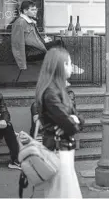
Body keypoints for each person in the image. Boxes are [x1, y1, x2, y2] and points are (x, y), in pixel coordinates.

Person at [35, 47, 84, 198]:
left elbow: (77, 119)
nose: (71, 67)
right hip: (57, 150)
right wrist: (74, 122)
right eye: (69, 63)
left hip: (63, 147)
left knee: (64, 190)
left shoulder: (60, 90)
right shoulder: (51, 93)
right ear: (61, 66)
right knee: (62, 192)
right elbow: (70, 124)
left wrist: (75, 121)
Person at [10, 0, 83, 74]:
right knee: (59, 45)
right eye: (32, 10)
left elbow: (32, 39)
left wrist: (44, 41)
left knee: (59, 43)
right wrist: (22, 64)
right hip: (30, 54)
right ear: (25, 11)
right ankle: (68, 67)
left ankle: (67, 67)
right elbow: (17, 44)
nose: (35, 11)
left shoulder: (29, 21)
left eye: (36, 9)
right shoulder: (20, 23)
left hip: (37, 49)